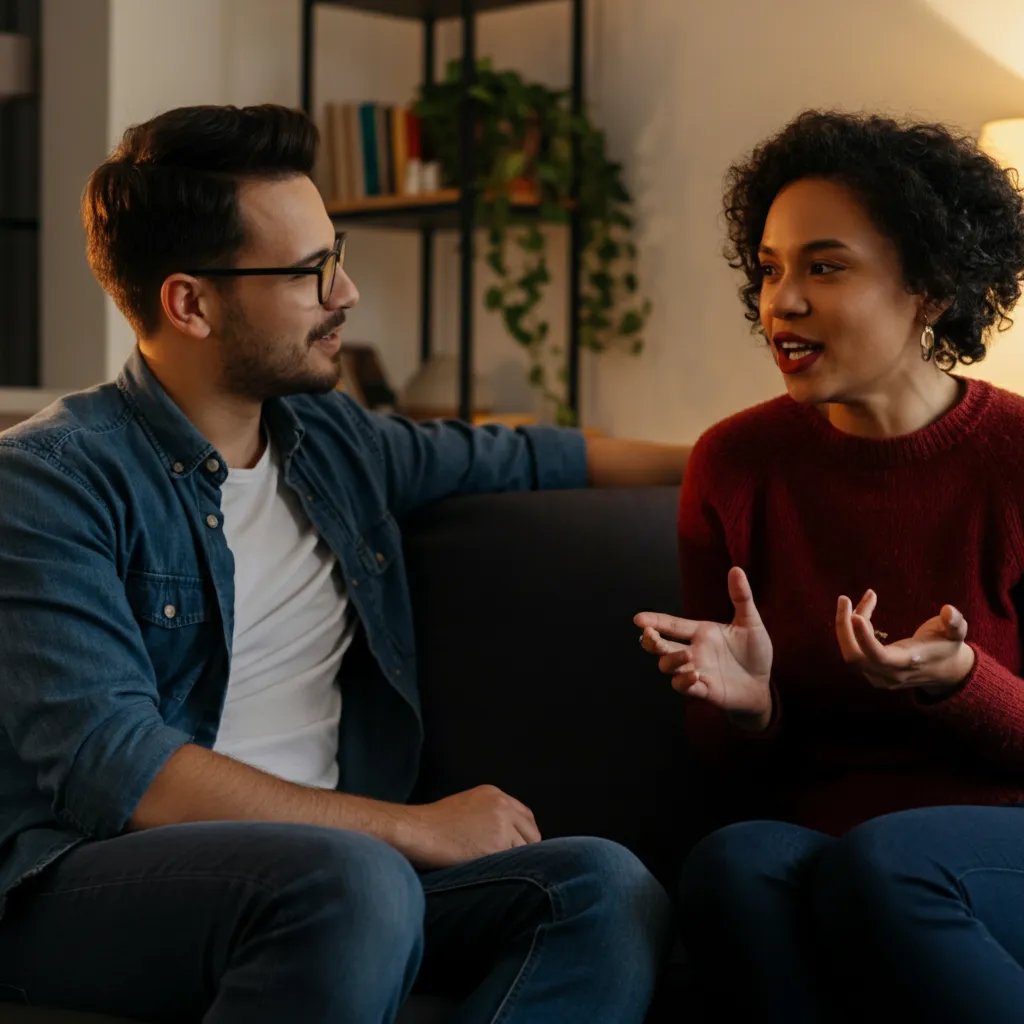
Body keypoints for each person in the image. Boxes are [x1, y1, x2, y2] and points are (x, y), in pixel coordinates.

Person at [0, 103, 681, 1024]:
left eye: (338, 254)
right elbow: (120, 770)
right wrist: (408, 827)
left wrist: (760, 454)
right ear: (189, 303)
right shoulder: (51, 482)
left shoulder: (333, 441)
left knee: (602, 886)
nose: (347, 293)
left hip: (335, 877)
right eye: (310, 272)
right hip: (86, 883)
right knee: (357, 878)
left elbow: (531, 456)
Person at [635, 110, 1024, 1022]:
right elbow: (730, 778)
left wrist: (962, 679)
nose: (782, 302)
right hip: (833, 838)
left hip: (998, 836)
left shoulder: (1016, 458)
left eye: (825, 266)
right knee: (730, 865)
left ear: (928, 287)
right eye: (770, 269)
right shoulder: (734, 465)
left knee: (888, 864)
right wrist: (751, 708)